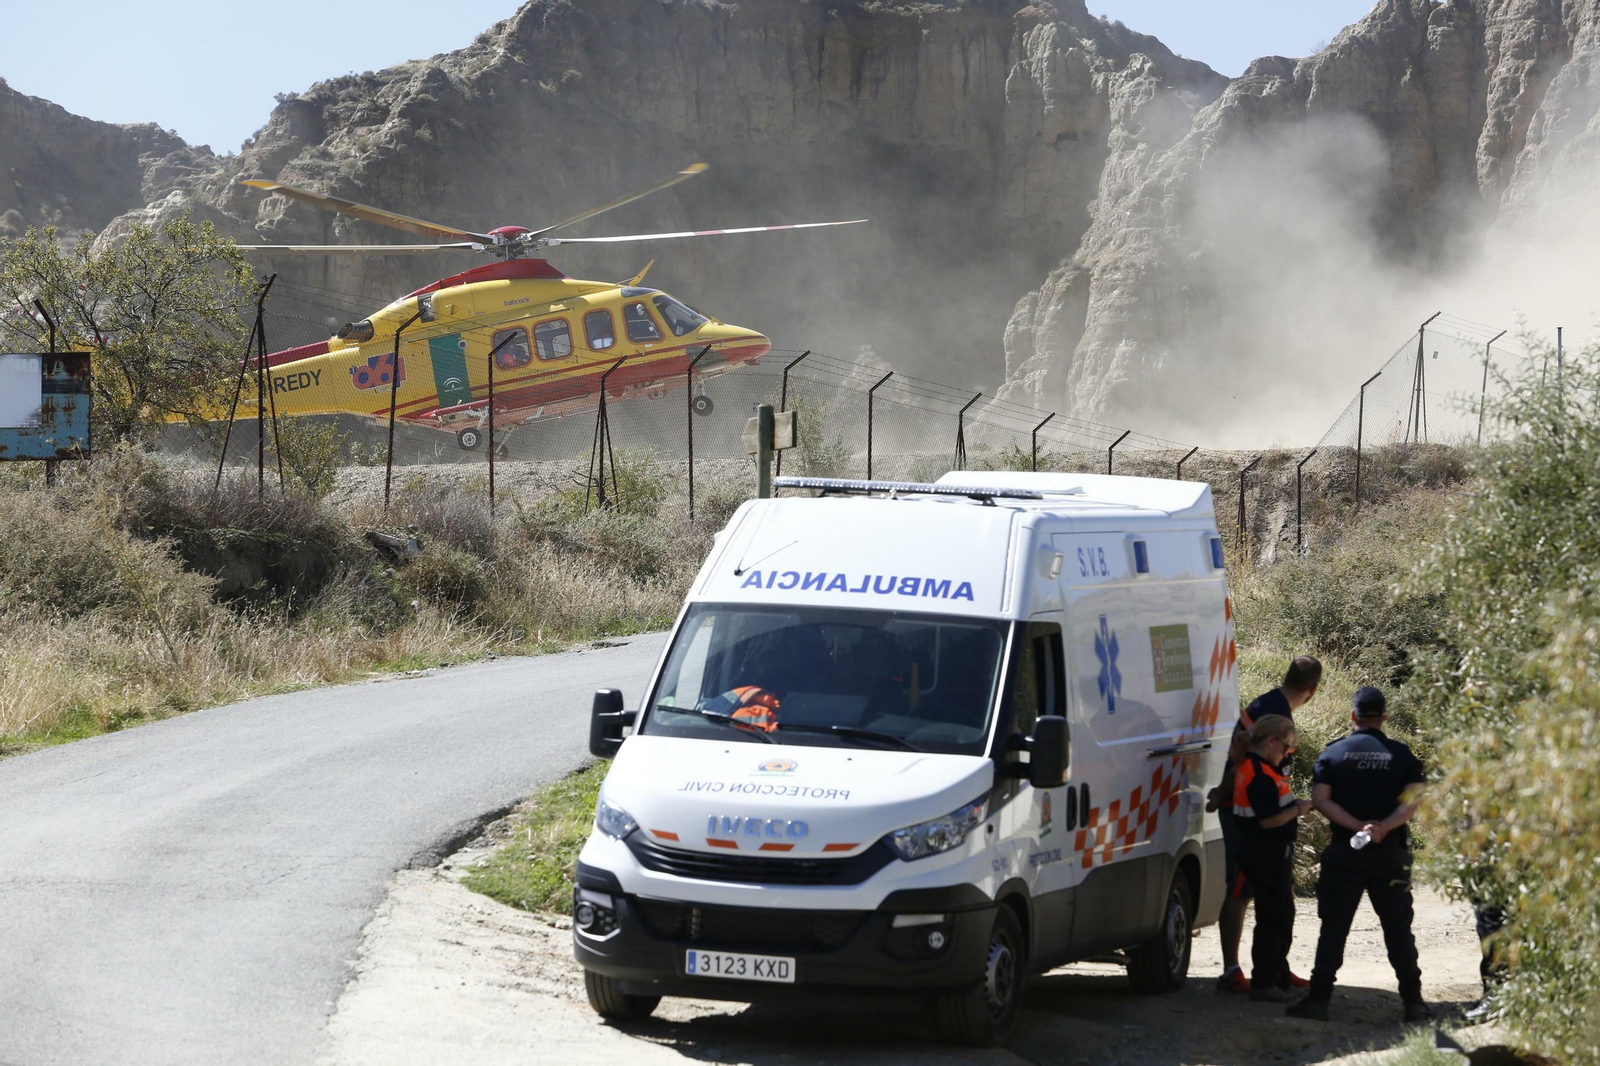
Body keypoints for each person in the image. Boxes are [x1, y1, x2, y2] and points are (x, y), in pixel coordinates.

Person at [1288, 686, 1431, 1023]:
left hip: (1345, 852)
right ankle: (1413, 1003)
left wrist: (1358, 827)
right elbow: (1413, 802)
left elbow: (1321, 800)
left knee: (1334, 928)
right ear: (1384, 717)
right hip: (1390, 853)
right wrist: (1383, 827)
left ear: (1353, 716)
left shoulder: (1333, 754)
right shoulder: (1402, 755)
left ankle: (1318, 1000)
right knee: (1398, 929)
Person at [1207, 655, 1322, 993]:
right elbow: (1242, 762)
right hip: (1249, 817)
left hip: (1253, 811)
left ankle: (1276, 968)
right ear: (1313, 690)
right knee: (1241, 891)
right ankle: (1233, 971)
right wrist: (1220, 795)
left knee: (1279, 895)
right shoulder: (1275, 716)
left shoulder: (1268, 705)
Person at [1232, 713, 1315, 1002]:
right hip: (1265, 852)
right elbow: (1268, 820)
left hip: (1266, 851)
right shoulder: (1258, 773)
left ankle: (1277, 976)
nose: (1287, 753)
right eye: (1286, 747)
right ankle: (1265, 982)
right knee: (1273, 919)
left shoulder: (1259, 767)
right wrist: (1299, 809)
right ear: (1270, 741)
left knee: (1280, 915)